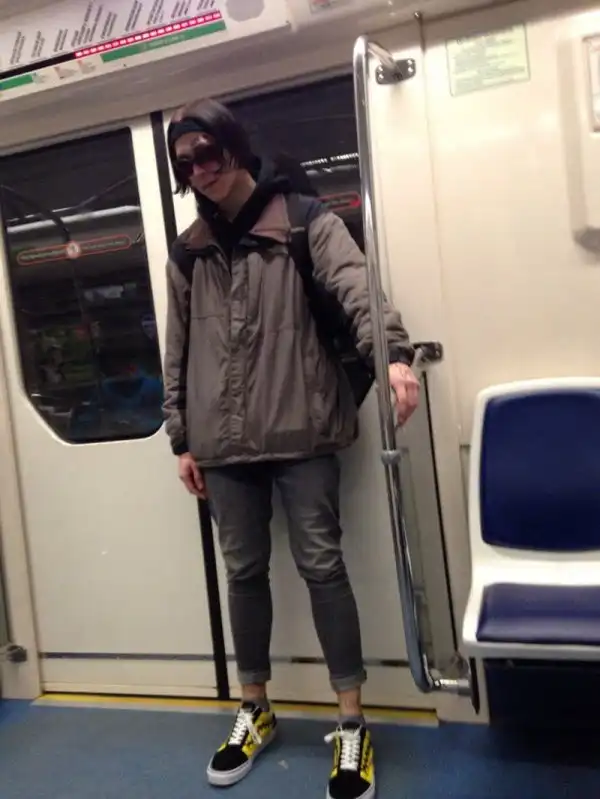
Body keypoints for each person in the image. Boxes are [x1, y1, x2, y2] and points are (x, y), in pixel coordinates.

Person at [163, 98, 420, 799]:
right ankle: (255, 707)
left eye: (207, 152)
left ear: (235, 146)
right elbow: (177, 350)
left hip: (303, 428)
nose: (199, 170)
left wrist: (392, 356)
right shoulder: (189, 251)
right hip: (221, 442)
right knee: (243, 572)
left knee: (322, 567)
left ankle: (351, 720)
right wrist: (181, 435)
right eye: (185, 163)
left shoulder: (305, 221)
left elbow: (359, 291)